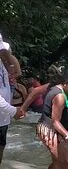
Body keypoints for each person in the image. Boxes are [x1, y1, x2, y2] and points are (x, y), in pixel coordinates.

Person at [36, 66, 68, 169]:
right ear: (66, 82)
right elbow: (55, 121)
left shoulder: (62, 90)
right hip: (49, 129)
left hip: (54, 130)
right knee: (65, 163)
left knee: (59, 163)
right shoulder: (60, 96)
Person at [0, 34, 24, 164]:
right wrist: (13, 111)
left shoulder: (2, 63)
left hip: (3, 118)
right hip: (5, 112)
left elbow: (16, 72)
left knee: (1, 146)